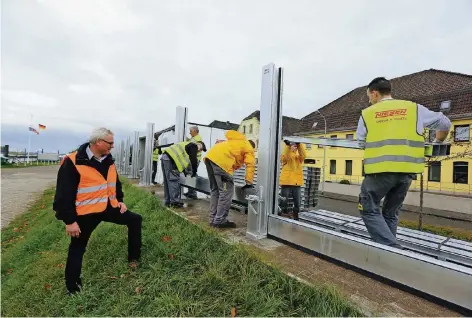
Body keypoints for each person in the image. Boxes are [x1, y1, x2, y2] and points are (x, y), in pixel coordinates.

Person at [356, 77, 451, 248]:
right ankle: (387, 256)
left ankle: (394, 251)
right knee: (390, 213)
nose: (369, 100)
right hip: (407, 172)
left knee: (368, 207)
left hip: (380, 171)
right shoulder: (414, 109)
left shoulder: (368, 114)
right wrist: (437, 143)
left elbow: (361, 143)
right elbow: (445, 123)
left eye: (369, 97)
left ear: (374, 93)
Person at [53, 127, 142, 295]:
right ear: (98, 142)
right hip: (85, 214)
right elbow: (63, 195)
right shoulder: (72, 161)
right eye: (110, 143)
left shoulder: (108, 159)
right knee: (77, 248)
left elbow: (115, 183)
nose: (112, 146)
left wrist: (120, 201)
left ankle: (134, 259)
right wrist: (70, 221)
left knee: (135, 219)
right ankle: (73, 289)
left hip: (108, 208)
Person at [204, 130, 255, 228]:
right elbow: (250, 164)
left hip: (210, 157)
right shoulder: (249, 148)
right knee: (226, 193)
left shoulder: (236, 142)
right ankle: (220, 221)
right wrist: (249, 182)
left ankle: (213, 219)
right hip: (222, 161)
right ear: (253, 147)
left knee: (215, 191)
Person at [161, 141, 206, 208]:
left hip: (165, 158)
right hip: (171, 160)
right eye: (201, 150)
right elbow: (193, 159)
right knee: (174, 180)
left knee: (167, 181)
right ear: (199, 146)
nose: (199, 152)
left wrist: (185, 172)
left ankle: (168, 201)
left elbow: (182, 162)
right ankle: (175, 202)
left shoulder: (186, 144)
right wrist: (194, 171)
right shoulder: (194, 146)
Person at [279, 141, 306, 221]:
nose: (295, 147)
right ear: (290, 147)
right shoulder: (286, 156)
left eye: (296, 146)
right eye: (294, 146)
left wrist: (299, 145)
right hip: (286, 182)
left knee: (297, 203)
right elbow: (284, 156)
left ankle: (296, 217)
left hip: (296, 183)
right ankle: (282, 216)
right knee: (284, 201)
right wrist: (287, 146)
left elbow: (304, 155)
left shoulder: (298, 158)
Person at [183, 126, 203, 199]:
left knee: (192, 174)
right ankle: (190, 192)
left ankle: (193, 193)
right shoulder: (194, 138)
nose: (189, 132)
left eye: (190, 131)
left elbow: (197, 148)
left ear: (195, 131)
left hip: (194, 160)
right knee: (190, 174)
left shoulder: (198, 139)